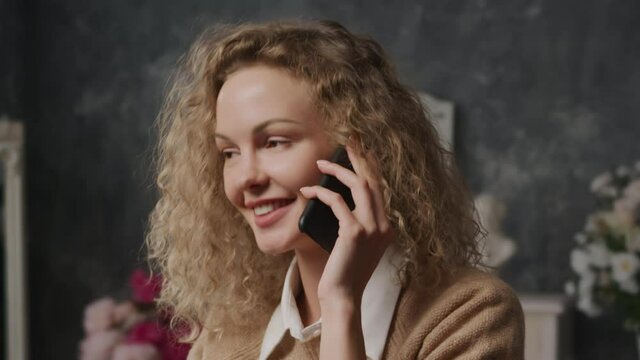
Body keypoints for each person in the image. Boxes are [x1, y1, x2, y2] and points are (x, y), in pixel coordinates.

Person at [146, 20, 524, 359]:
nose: (246, 178)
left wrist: (341, 305)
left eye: (275, 142)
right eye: (229, 152)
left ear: (358, 151)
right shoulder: (226, 338)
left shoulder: (468, 315)